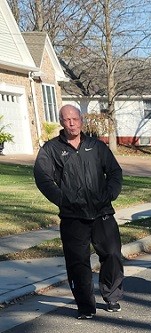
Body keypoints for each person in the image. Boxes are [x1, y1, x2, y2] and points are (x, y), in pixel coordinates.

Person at [33, 105, 124, 319]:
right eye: (67, 119)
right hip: (73, 217)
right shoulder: (51, 149)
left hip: (102, 212)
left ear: (81, 120)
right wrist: (62, 200)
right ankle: (85, 306)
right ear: (61, 122)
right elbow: (43, 178)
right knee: (77, 262)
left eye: (75, 118)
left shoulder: (96, 146)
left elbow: (114, 172)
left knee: (112, 254)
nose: (72, 123)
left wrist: (110, 193)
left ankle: (111, 296)